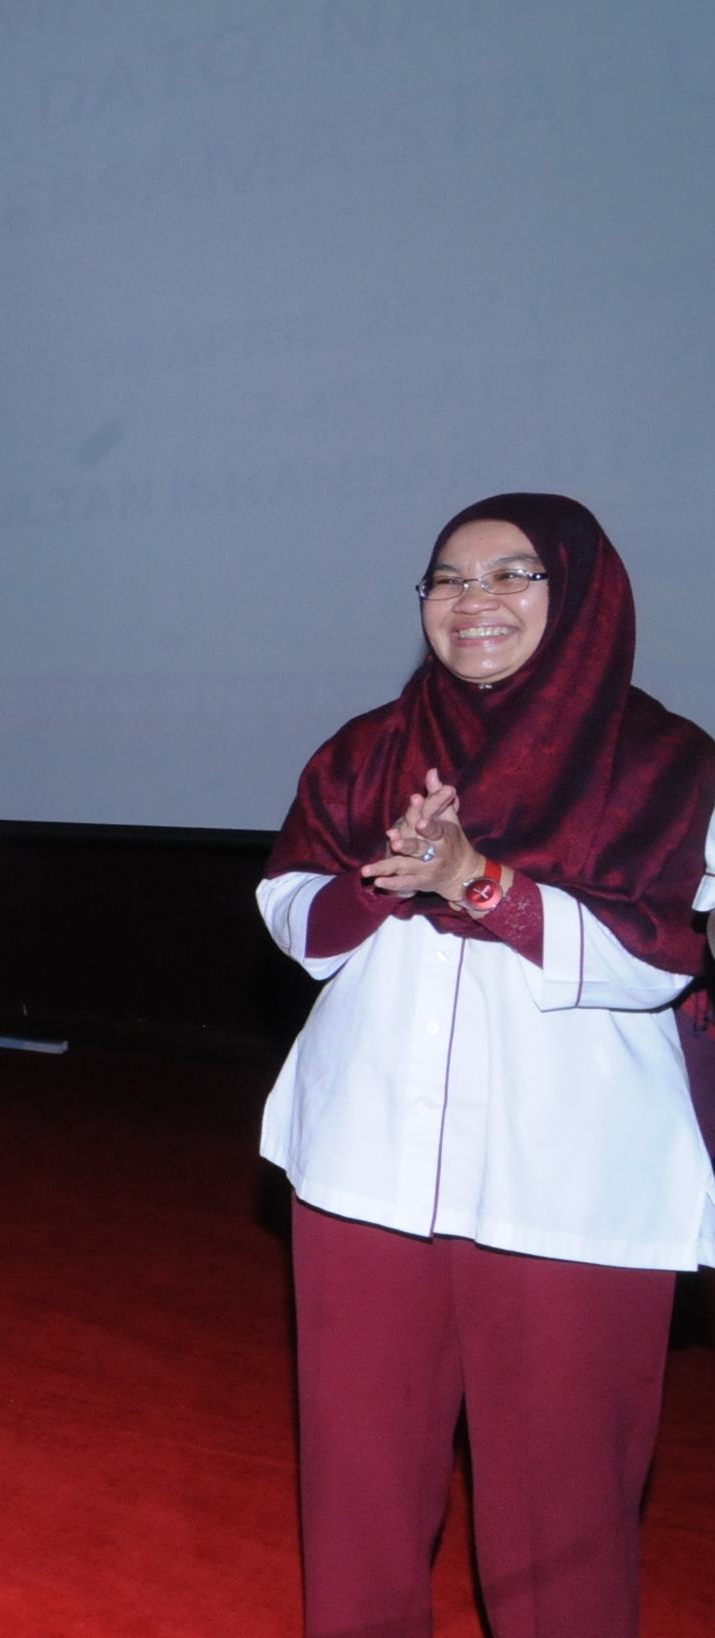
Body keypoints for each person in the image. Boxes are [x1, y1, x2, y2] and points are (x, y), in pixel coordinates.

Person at [257, 493, 715, 1637]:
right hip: (362, 1161)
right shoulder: (368, 749)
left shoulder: (672, 767)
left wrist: (482, 884)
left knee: (563, 1524)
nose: (477, 602)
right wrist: (383, 880)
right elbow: (286, 901)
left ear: (583, 593)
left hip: (567, 1183)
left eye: (514, 575)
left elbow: (665, 961)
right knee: (359, 1498)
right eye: (450, 580)